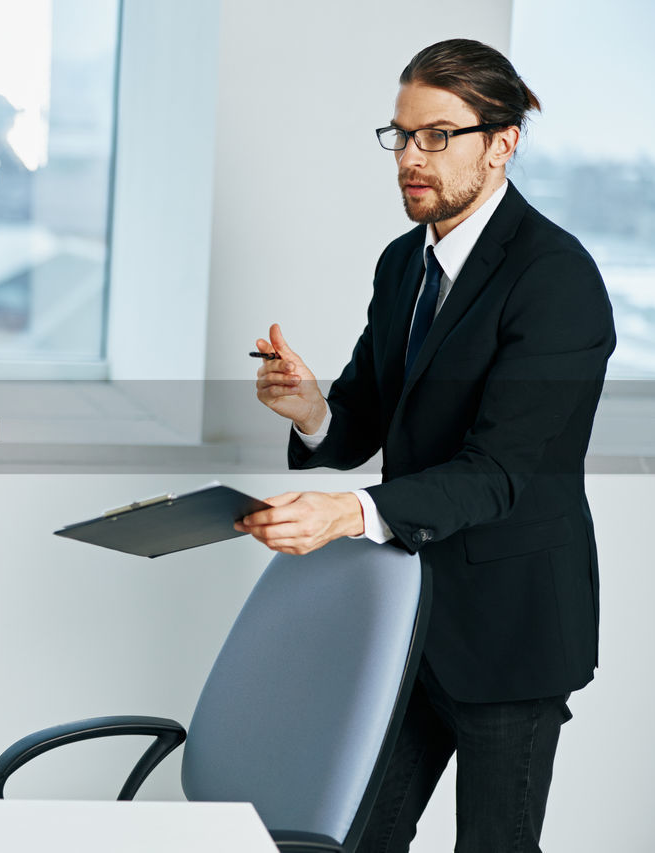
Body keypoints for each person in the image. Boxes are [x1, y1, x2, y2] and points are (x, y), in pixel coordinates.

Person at [238, 39, 615, 853]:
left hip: (511, 631)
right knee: (359, 839)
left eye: (437, 135)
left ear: (502, 141)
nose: (411, 157)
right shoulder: (403, 263)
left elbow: (501, 472)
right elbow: (368, 415)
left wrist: (351, 511)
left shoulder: (557, 280)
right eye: (402, 135)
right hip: (407, 625)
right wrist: (311, 414)